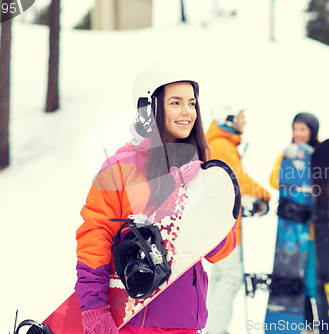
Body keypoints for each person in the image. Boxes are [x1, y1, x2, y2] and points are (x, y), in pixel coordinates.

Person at [75, 60, 237, 334]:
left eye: (192, 103)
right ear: (148, 108)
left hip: (186, 320)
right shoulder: (120, 168)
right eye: (175, 103)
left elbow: (222, 249)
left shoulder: (201, 170)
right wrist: (93, 309)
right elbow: (95, 236)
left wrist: (209, 221)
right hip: (135, 321)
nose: (187, 111)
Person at [204, 103, 271, 334]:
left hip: (220, 223)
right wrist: (264, 194)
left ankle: (213, 327)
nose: (245, 122)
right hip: (226, 227)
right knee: (230, 278)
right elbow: (237, 179)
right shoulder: (222, 145)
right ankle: (216, 329)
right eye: (242, 117)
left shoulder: (220, 144)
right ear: (230, 119)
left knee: (221, 277)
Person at [268, 112, 320, 329]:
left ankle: (314, 323)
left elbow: (326, 188)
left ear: (312, 131)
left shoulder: (319, 155)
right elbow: (273, 180)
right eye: (295, 129)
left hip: (312, 231)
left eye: (303, 129)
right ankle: (300, 324)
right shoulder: (287, 155)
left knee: (311, 280)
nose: (298, 134)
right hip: (290, 232)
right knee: (292, 275)